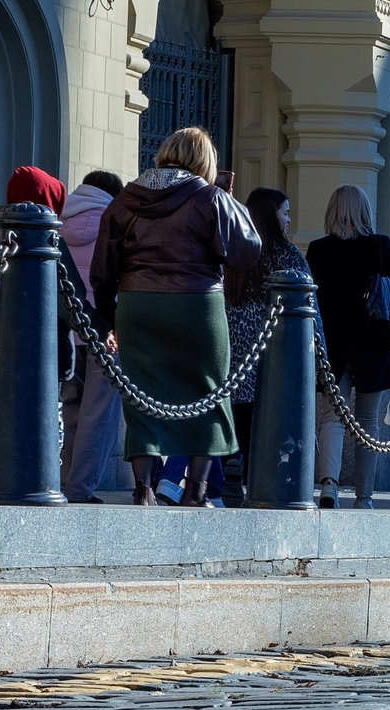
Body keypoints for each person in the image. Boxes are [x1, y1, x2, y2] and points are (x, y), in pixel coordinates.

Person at [90, 128, 263, 508]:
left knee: (142, 396)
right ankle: (196, 492)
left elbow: (102, 270)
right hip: (197, 304)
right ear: (205, 162)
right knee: (209, 391)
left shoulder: (125, 199)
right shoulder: (210, 198)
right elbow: (247, 252)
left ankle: (144, 488)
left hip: (138, 304)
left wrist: (109, 318)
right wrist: (230, 203)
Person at [306, 184, 390, 509]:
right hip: (373, 344)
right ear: (364, 212)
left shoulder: (318, 250)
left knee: (331, 417)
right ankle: (364, 497)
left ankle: (329, 486)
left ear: (331, 212)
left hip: (333, 348)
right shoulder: (380, 247)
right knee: (367, 420)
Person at [224, 187, 309, 505]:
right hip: (272, 347)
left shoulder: (234, 250)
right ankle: (255, 480)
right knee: (268, 417)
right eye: (285, 213)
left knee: (239, 414)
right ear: (272, 215)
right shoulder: (287, 255)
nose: (288, 220)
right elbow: (308, 307)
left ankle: (233, 469)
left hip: (235, 347)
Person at [59, 170, 125, 502]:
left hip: (70, 330)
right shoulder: (115, 223)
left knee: (71, 409)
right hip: (105, 331)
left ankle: (65, 481)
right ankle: (80, 490)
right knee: (99, 417)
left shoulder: (59, 218)